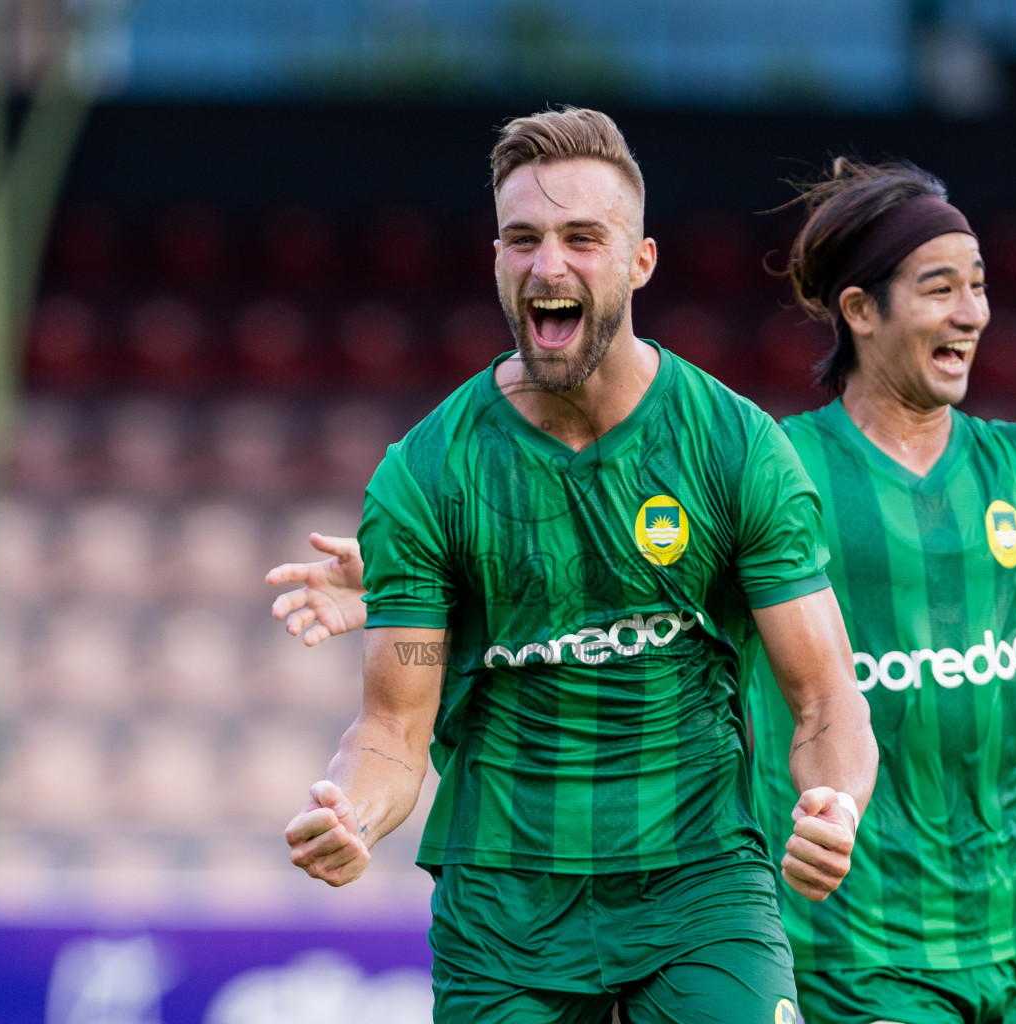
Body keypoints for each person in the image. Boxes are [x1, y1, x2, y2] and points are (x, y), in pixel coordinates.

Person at [271, 156, 1016, 1024]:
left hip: (1010, 940)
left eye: (980, 283)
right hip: (842, 947)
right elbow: (600, 577)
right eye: (943, 286)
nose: (974, 312)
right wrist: (414, 586)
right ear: (860, 310)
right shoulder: (777, 461)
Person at [274, 107, 878, 1024]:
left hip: (700, 887)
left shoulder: (734, 448)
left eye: (581, 239)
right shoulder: (427, 472)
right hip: (503, 918)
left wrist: (833, 803)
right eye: (523, 239)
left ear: (639, 264)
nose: (548, 265)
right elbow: (392, 731)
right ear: (496, 263)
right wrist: (351, 811)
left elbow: (828, 699)